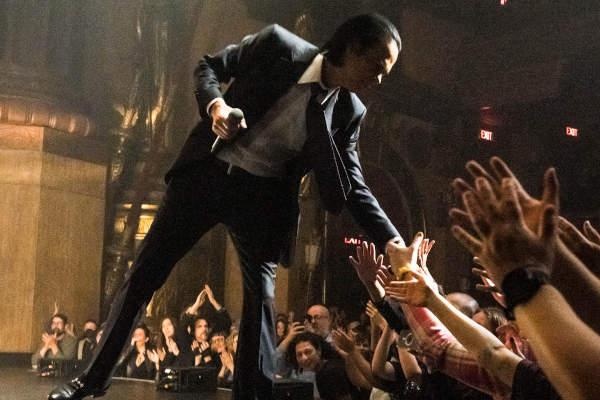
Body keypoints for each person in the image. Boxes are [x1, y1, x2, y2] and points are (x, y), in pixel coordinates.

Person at [49, 13, 406, 400]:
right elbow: (208, 67)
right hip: (208, 175)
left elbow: (354, 186)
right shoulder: (278, 45)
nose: (379, 80)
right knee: (144, 275)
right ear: (350, 48)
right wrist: (216, 106)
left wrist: (394, 243)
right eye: (377, 66)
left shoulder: (350, 112)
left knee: (261, 300)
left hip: (262, 200)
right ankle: (90, 380)